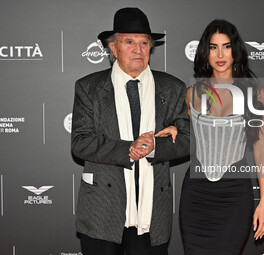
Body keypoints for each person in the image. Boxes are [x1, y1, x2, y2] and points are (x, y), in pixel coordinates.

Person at [71, 7, 190, 255]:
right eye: (129, 42)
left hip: (152, 215)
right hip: (102, 212)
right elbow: (80, 142)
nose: (138, 49)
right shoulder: (89, 88)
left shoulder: (172, 88)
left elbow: (188, 141)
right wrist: (129, 149)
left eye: (144, 42)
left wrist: (156, 146)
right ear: (113, 48)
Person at [179, 19, 264, 255]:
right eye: (213, 47)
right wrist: (173, 129)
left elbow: (261, 151)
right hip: (196, 196)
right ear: (205, 52)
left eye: (226, 46)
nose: (220, 54)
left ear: (236, 51)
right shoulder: (192, 94)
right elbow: (180, 130)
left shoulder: (255, 93)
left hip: (234, 194)